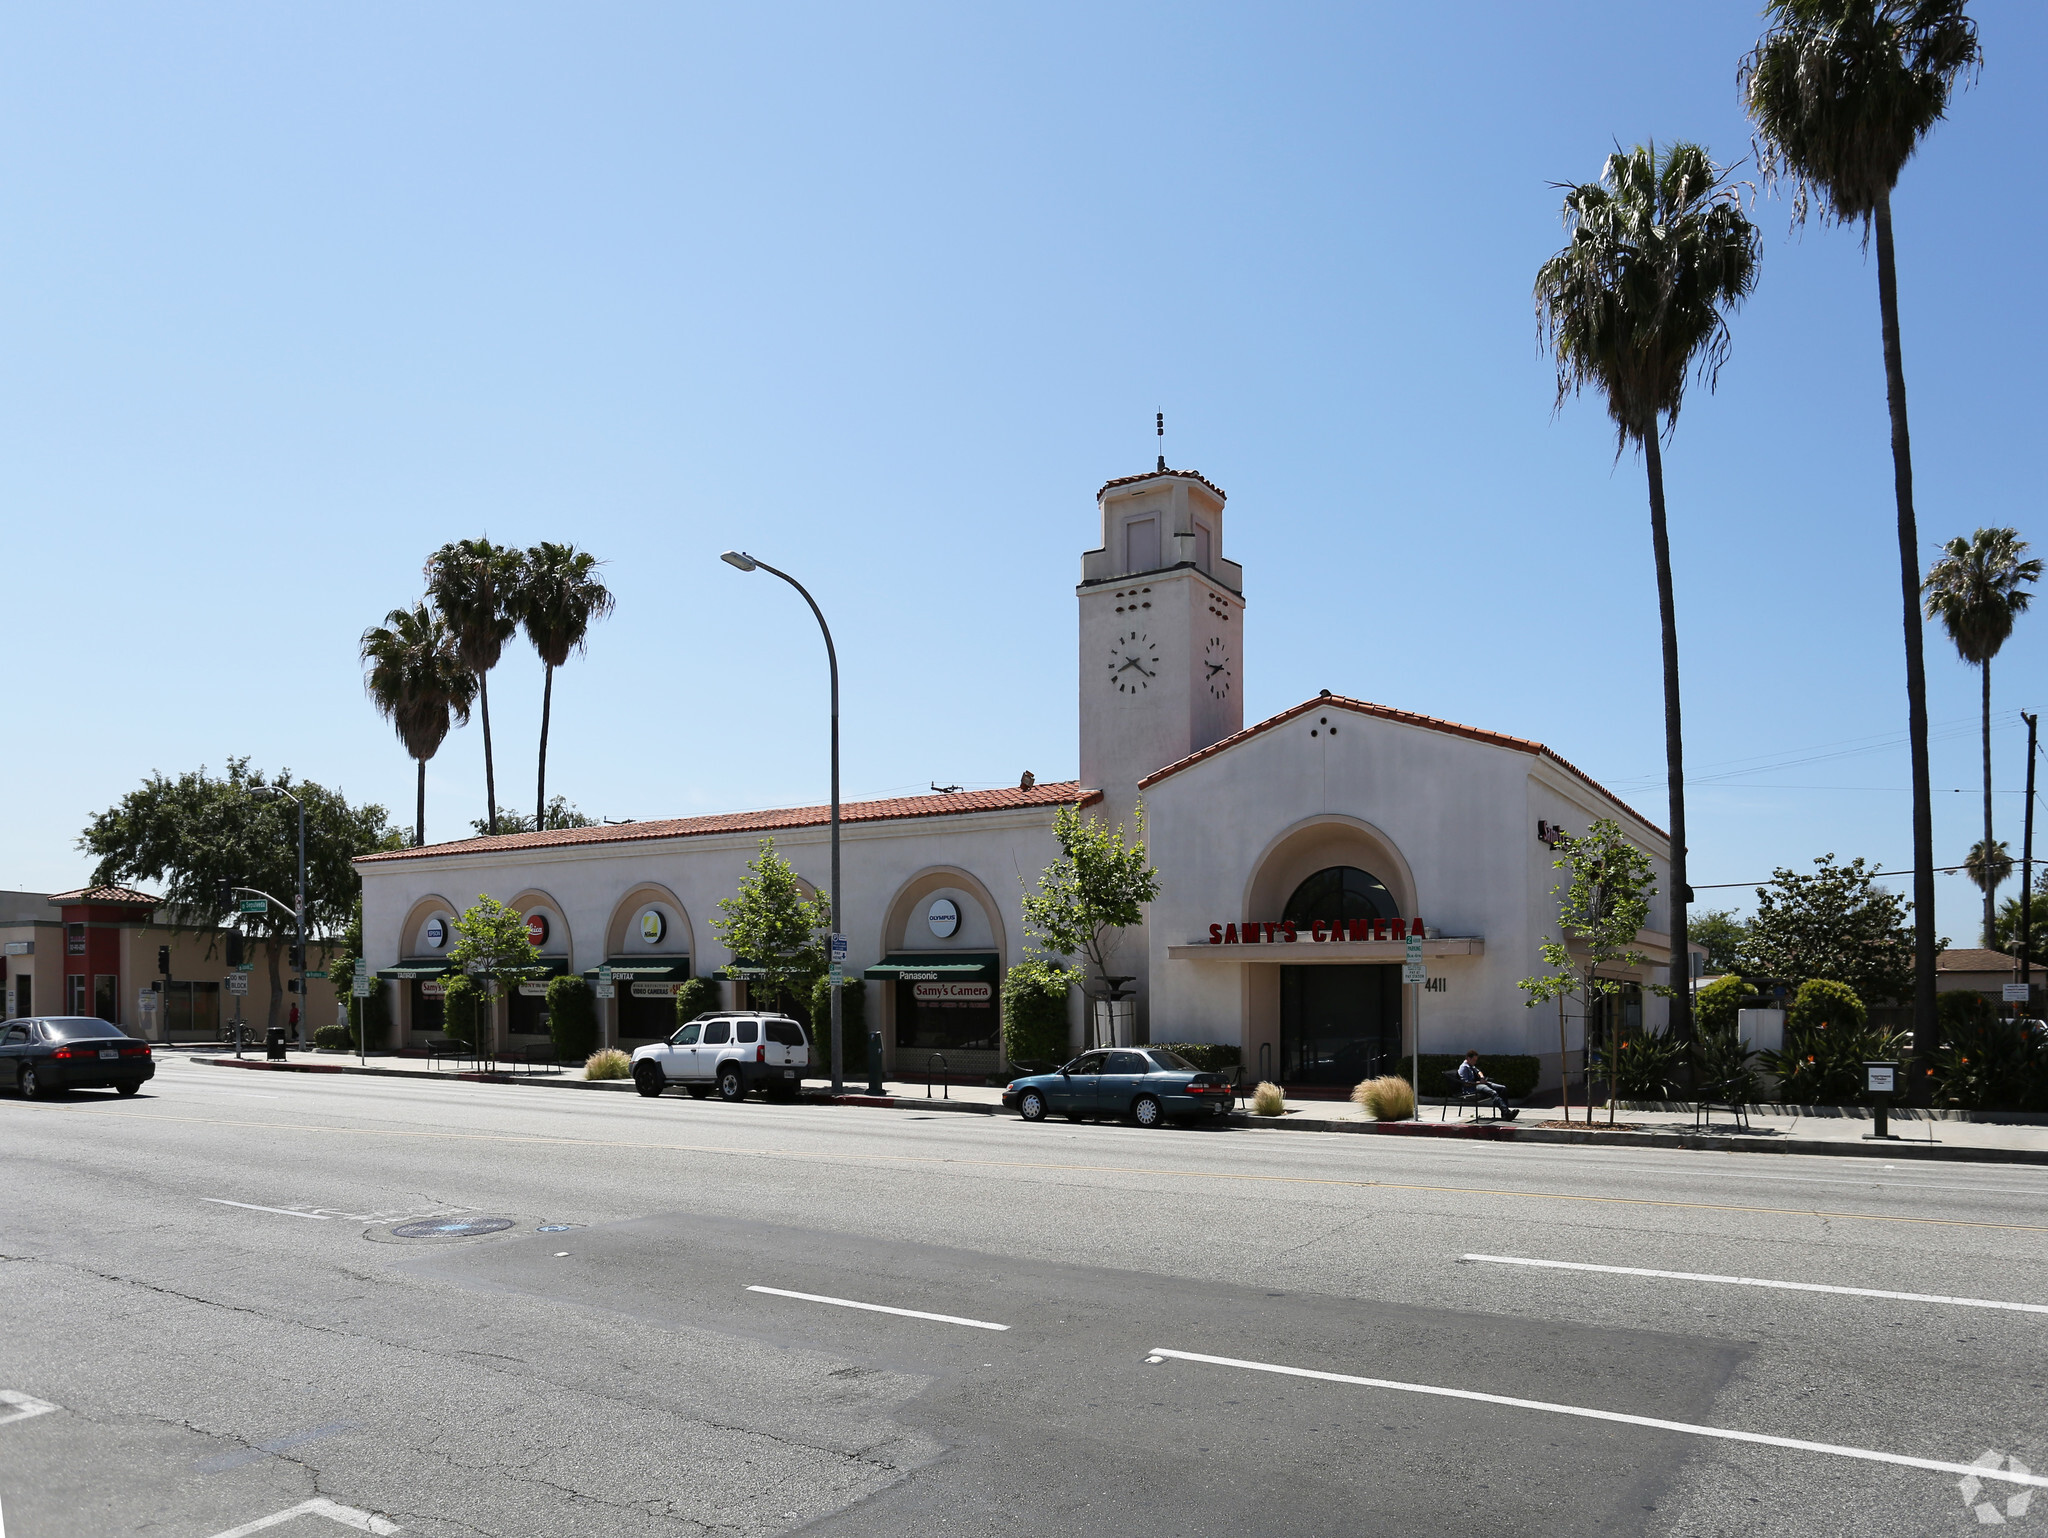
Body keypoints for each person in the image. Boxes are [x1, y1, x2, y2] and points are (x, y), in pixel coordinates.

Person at [1458, 1050, 1518, 1120]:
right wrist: (1480, 1082)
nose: (1475, 1062)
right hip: (1472, 1087)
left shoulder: (1471, 1065)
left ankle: (1504, 1114)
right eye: (1474, 1060)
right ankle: (1507, 1113)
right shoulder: (1463, 1068)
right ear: (1468, 1058)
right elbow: (1466, 1083)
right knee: (1493, 1092)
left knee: (1502, 1088)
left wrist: (1482, 1077)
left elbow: (1478, 1071)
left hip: (1480, 1083)